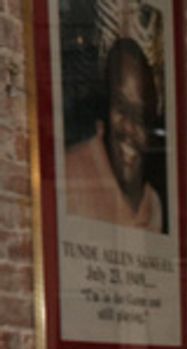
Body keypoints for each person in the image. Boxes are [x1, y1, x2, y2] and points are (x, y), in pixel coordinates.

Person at [64, 37, 163, 231]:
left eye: (140, 118)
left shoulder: (153, 205)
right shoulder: (69, 178)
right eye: (121, 109)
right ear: (105, 107)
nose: (129, 128)